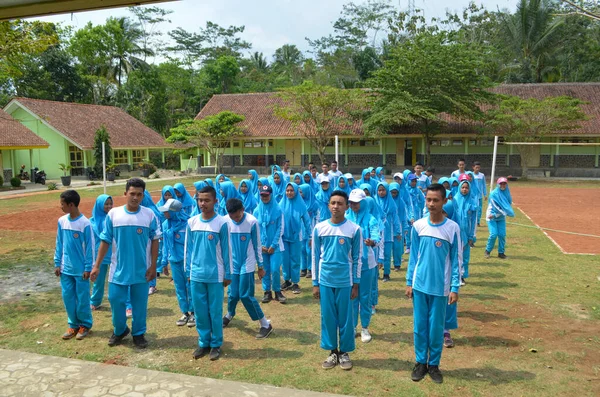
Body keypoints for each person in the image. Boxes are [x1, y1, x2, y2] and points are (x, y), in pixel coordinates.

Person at [91, 178, 161, 349]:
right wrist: (97, 265)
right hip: (118, 270)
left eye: (139, 194)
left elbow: (155, 240)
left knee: (139, 304)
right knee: (115, 300)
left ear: (143, 195)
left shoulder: (149, 215)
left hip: (141, 270)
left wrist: (153, 266)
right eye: (132, 194)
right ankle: (120, 330)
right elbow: (105, 240)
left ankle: (138, 333)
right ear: (125, 194)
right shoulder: (114, 214)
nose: (135, 197)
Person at [406, 183, 461, 384]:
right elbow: (413, 257)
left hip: (440, 289)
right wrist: (409, 282)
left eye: (436, 200)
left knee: (436, 328)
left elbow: (457, 260)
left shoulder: (452, 228)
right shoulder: (418, 226)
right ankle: (420, 362)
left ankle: (434, 365)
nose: (431, 204)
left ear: (444, 201)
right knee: (419, 327)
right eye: (428, 199)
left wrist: (454, 287)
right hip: (419, 286)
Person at [312, 191, 362, 370]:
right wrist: (315, 283)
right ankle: (333, 351)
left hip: (345, 281)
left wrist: (356, 283)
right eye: (333, 203)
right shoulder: (320, 228)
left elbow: (357, 258)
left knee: (346, 319)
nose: (336, 206)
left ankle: (345, 352)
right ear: (328, 205)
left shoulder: (354, 229)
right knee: (328, 317)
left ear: (347, 206)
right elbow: (315, 256)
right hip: (325, 280)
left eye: (340, 203)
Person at [185, 186, 232, 361]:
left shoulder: (221, 223)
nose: (202, 203)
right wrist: (188, 271)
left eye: (207, 200)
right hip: (196, 274)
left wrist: (228, 273)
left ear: (215, 201)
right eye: (200, 200)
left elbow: (227, 250)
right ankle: (203, 342)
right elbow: (188, 250)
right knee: (200, 311)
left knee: (215, 311)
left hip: (215, 275)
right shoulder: (192, 222)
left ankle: (216, 344)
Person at [222, 198, 273, 339]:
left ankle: (265, 324)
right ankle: (229, 314)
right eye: (232, 216)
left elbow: (257, 245)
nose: (235, 219)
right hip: (233, 263)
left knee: (245, 295)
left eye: (237, 216)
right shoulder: (225, 221)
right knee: (232, 293)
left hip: (247, 262)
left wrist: (260, 266)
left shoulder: (252, 222)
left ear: (242, 210)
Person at [54, 190, 94, 340]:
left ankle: (85, 324)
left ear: (71, 205)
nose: (61, 207)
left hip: (80, 270)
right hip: (66, 269)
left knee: (83, 298)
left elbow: (90, 248)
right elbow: (59, 243)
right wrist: (57, 263)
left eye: (62, 204)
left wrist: (87, 267)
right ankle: (73, 325)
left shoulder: (85, 224)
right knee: (68, 297)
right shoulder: (62, 221)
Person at [347, 189, 379, 343]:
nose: (353, 205)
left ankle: (365, 328)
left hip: (367, 264)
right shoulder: (346, 218)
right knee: (352, 296)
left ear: (363, 202)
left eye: (357, 202)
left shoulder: (371, 219)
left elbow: (376, 236)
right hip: (350, 264)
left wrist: (371, 242)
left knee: (364, 297)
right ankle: (352, 327)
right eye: (351, 202)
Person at [158, 198, 194, 328]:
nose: (164, 214)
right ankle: (185, 312)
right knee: (179, 288)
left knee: (189, 286)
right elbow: (165, 246)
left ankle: (194, 312)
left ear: (175, 212)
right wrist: (164, 263)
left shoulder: (188, 224)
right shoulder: (165, 224)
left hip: (186, 261)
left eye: (167, 211)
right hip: (174, 260)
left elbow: (191, 245)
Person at [254, 185, 287, 304]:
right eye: (262, 195)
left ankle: (277, 291)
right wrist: (260, 244)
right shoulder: (257, 211)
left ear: (271, 195)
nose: (264, 197)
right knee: (265, 269)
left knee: (275, 269)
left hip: (275, 246)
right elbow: (255, 229)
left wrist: (273, 245)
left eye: (266, 195)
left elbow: (280, 228)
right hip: (262, 246)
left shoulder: (278, 210)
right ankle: (267, 291)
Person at [279, 182, 312, 294]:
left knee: (295, 259)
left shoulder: (301, 204)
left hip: (296, 236)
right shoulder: (281, 203)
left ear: (296, 191)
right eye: (287, 190)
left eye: (291, 190)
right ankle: (287, 280)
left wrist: (310, 235)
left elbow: (307, 220)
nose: (289, 192)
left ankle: (295, 282)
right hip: (283, 236)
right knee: (284, 259)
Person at [90, 194, 113, 311]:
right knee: (98, 280)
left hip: (113, 253)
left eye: (110, 203)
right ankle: (95, 301)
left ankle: (118, 301)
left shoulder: (113, 218)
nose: (109, 206)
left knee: (116, 279)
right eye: (106, 204)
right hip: (99, 254)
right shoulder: (91, 221)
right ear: (99, 205)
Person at [374, 182, 401, 282]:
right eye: (379, 190)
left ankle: (386, 274)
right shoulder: (374, 201)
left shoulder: (391, 203)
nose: (381, 192)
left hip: (388, 233)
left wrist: (398, 231)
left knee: (387, 255)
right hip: (376, 232)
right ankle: (375, 273)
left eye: (383, 190)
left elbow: (396, 218)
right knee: (376, 254)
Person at [485, 177, 514, 259]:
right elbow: (496, 208)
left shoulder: (507, 193)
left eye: (504, 183)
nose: (503, 185)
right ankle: (487, 250)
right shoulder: (493, 194)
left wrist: (507, 212)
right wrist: (505, 213)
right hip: (491, 216)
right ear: (498, 184)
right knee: (493, 234)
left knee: (502, 235)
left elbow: (508, 204)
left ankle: (501, 253)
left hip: (501, 217)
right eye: (501, 183)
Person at [299, 183, 318, 278]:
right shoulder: (299, 203)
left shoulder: (314, 204)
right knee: (302, 249)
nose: (300, 194)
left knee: (309, 250)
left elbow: (317, 217)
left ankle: (311, 269)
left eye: (301, 192)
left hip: (311, 229)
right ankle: (303, 268)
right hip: (301, 229)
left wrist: (314, 230)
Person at [389, 183, 409, 272]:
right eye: (392, 192)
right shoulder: (386, 201)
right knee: (388, 247)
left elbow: (404, 216)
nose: (393, 194)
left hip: (398, 227)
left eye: (395, 193)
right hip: (388, 227)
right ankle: (387, 264)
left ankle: (397, 264)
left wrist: (405, 228)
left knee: (397, 247)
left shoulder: (401, 202)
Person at [471, 161, 487, 226]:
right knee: (472, 208)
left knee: (479, 209)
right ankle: (472, 220)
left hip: (479, 196)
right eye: (476, 167)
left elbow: (484, 185)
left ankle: (478, 221)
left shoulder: (482, 175)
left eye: (479, 168)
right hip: (472, 195)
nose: (477, 169)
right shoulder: (470, 175)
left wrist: (485, 194)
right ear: (473, 167)